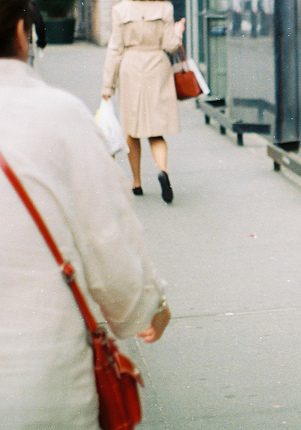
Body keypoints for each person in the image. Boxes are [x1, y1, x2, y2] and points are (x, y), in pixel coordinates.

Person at [0, 0, 171, 426]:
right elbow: (108, 242)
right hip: (38, 385)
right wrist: (152, 304)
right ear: (22, 34)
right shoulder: (57, 116)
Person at [102, 0, 186, 203]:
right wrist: (178, 31)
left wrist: (108, 86)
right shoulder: (164, 7)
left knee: (132, 128)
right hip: (157, 66)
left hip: (131, 67)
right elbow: (170, 45)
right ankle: (163, 170)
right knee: (156, 129)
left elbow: (115, 49)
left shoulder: (120, 10)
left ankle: (137, 182)